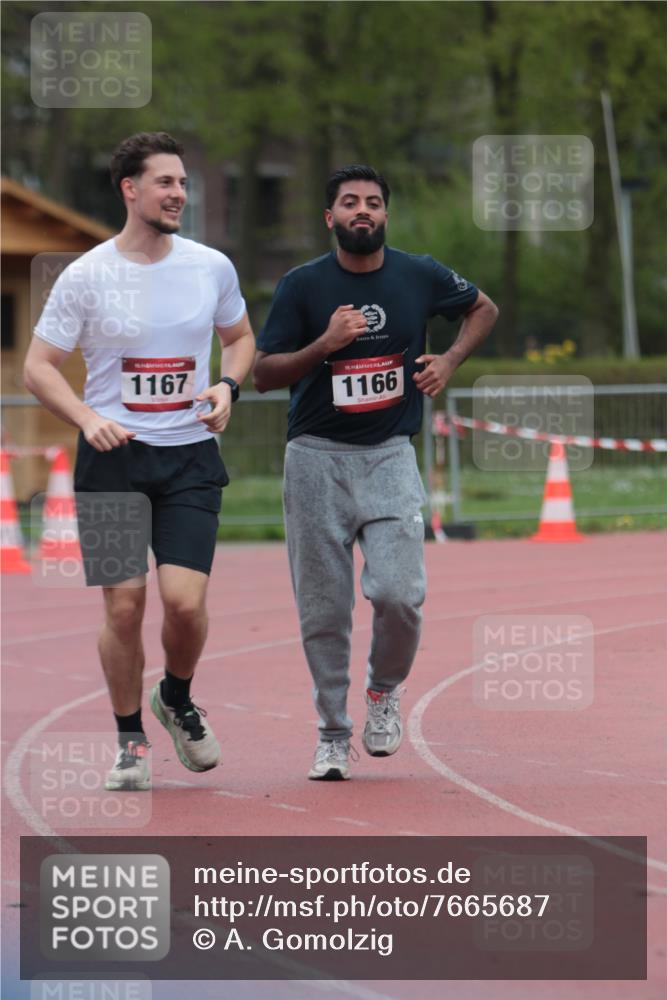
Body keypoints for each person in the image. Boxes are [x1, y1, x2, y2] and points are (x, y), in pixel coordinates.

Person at [24, 131, 255, 791]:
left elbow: (239, 340)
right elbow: (40, 368)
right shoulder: (88, 274)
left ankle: (176, 698)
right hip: (114, 462)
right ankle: (130, 743)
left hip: (188, 457)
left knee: (183, 603)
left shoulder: (210, 266)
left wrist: (227, 386)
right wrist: (89, 419)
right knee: (123, 609)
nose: (178, 193)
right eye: (165, 182)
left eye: (183, 182)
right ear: (130, 189)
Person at [253, 164, 498, 780]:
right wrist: (324, 345)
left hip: (390, 454)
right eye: (349, 202)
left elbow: (483, 308)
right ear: (329, 218)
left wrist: (450, 360)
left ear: (385, 215)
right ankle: (333, 734)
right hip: (314, 459)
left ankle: (383, 691)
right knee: (324, 609)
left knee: (399, 593)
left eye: (372, 202)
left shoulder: (418, 274)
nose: (362, 210)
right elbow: (263, 373)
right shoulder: (302, 285)